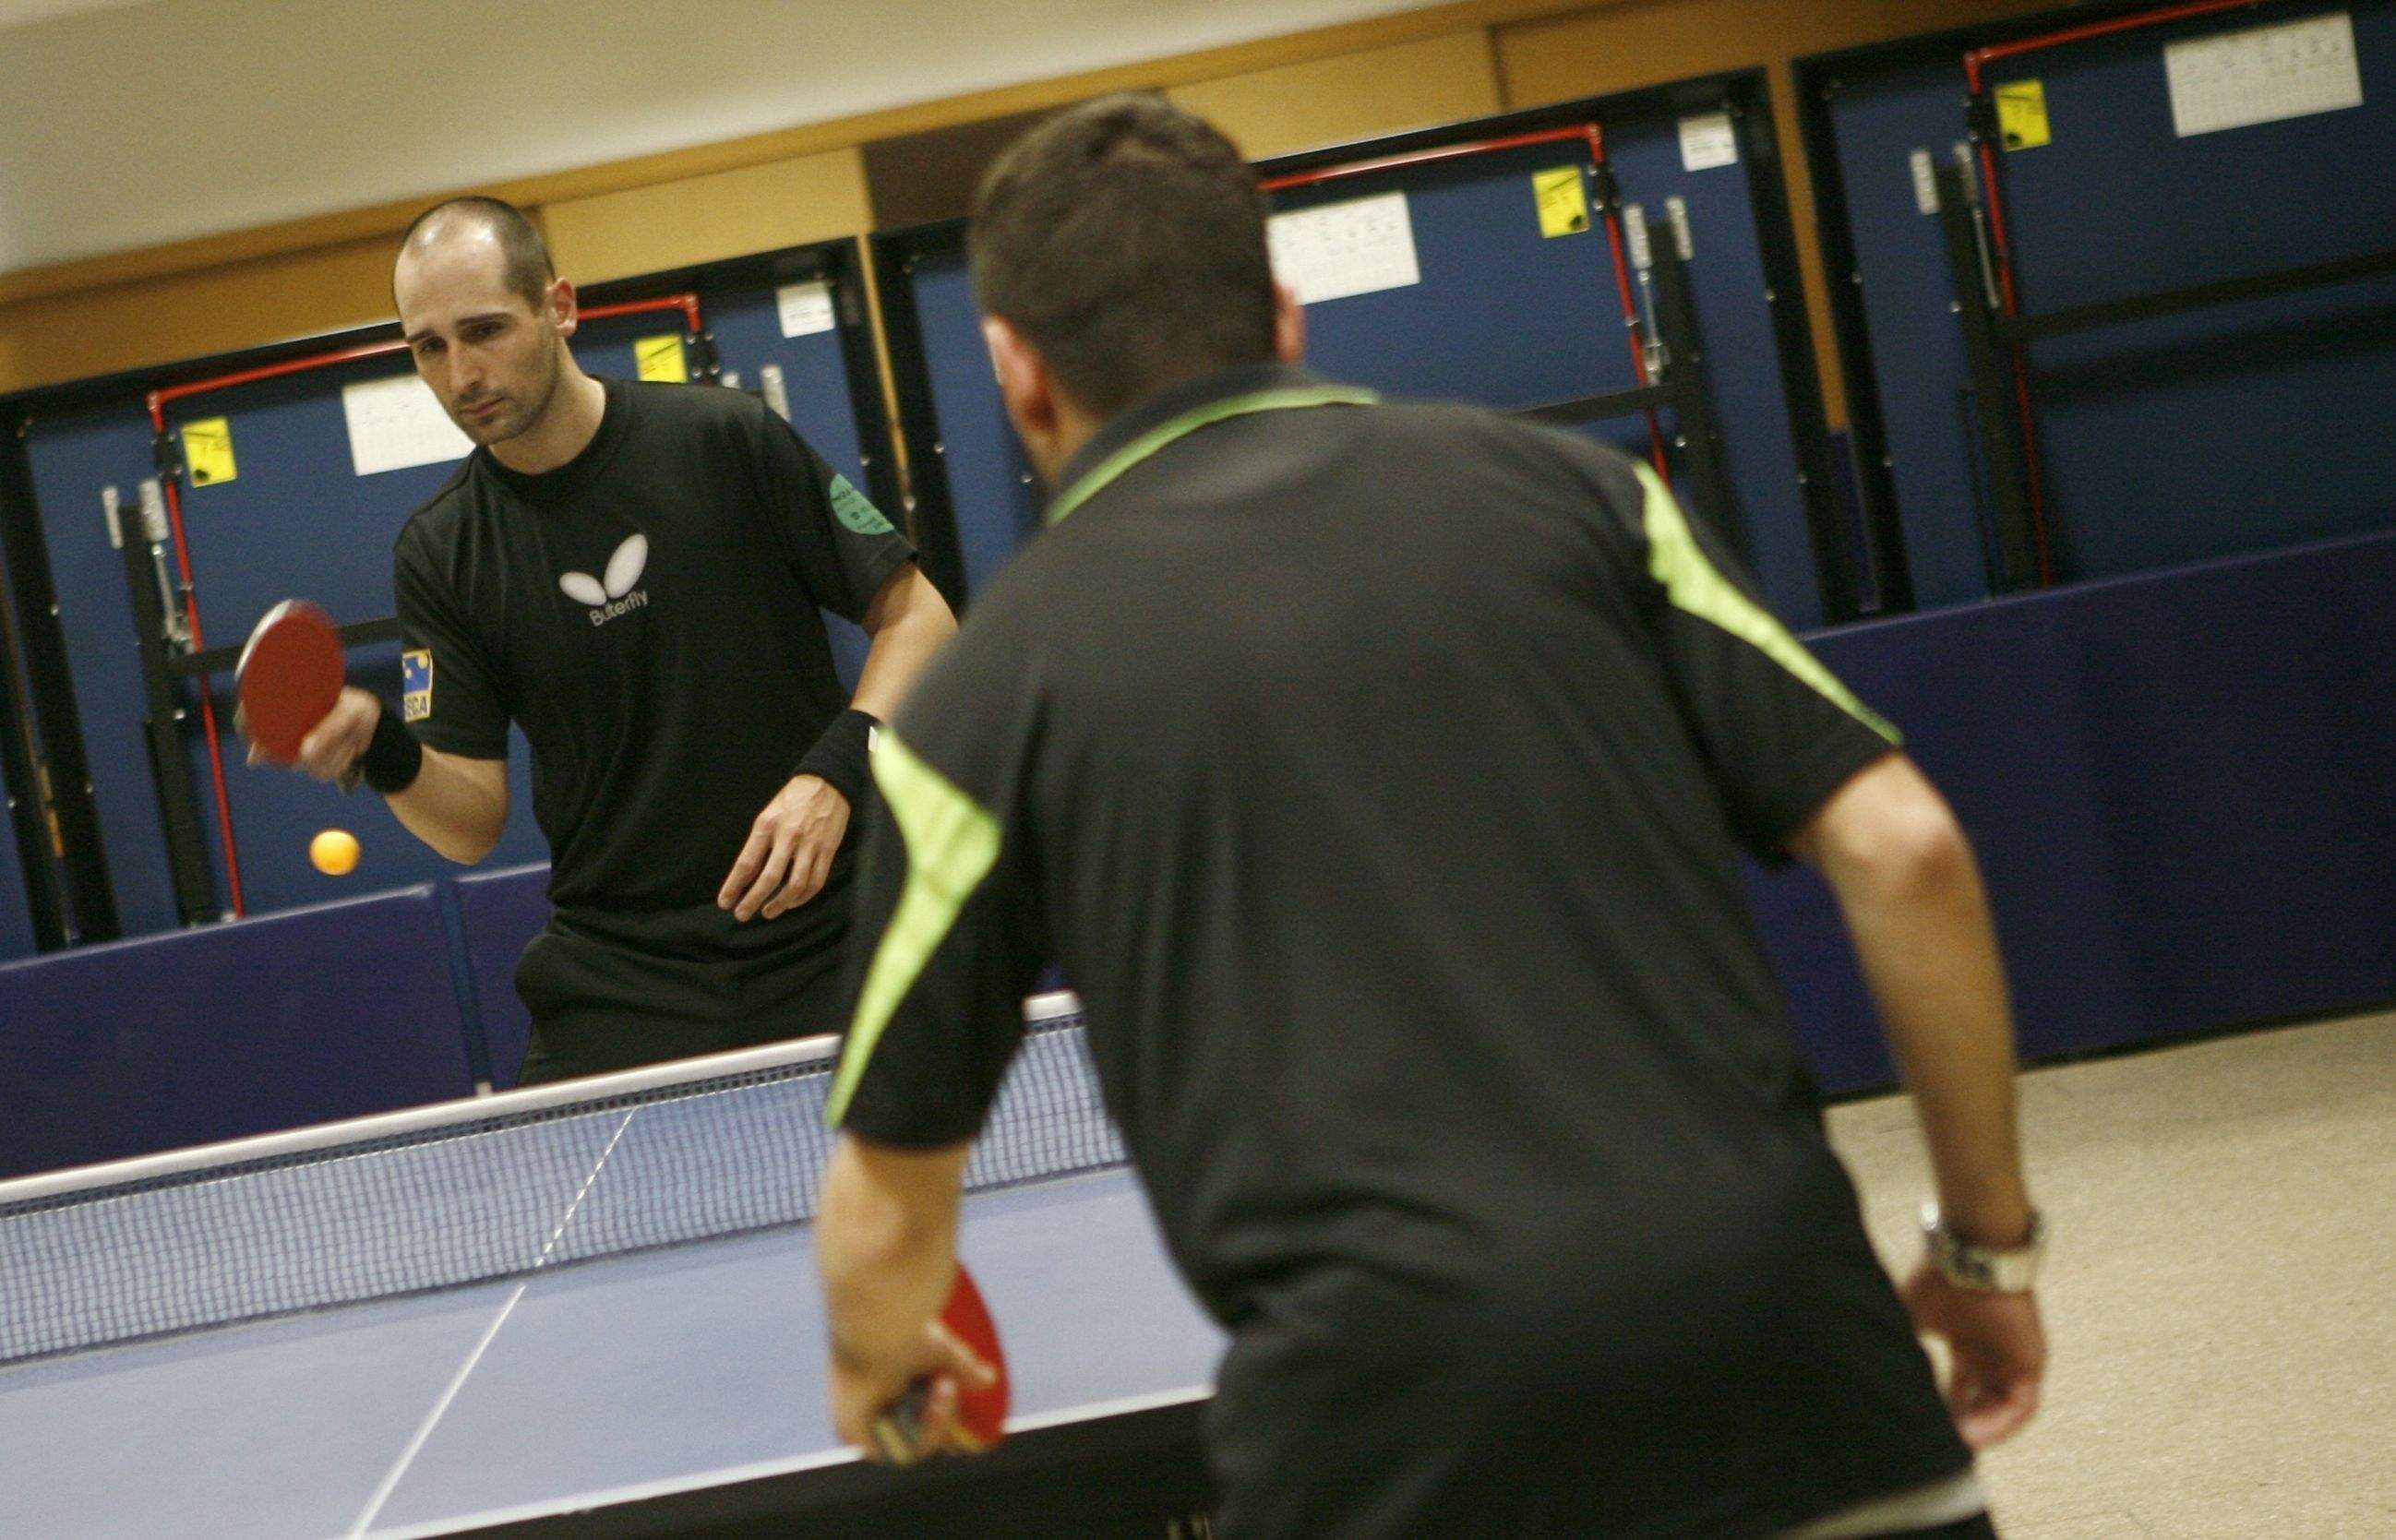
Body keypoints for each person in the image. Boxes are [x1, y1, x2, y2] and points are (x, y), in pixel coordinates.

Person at [814, 97, 2045, 1539]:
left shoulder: (974, 705)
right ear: (1283, 311)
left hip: (1393, 1442)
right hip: (1792, 1364)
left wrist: (874, 1358)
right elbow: (1909, 850)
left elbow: (887, 1209)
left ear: (1016, 373)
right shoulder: (1586, 500)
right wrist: (1984, 1249)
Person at [256, 197, 957, 1083]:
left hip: (833, 931)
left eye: (484, 330)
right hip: (627, 977)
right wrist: (385, 748)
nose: (460, 372)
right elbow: (470, 823)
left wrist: (834, 773)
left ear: (559, 307)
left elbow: (921, 617)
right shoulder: (441, 550)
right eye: (428, 347)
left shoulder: (723, 439)